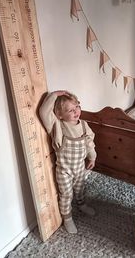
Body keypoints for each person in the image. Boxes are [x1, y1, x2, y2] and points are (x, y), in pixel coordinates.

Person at [39, 90, 97, 234]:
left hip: (79, 168)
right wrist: (54, 95)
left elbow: (89, 143)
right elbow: (43, 111)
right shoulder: (56, 126)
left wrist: (92, 157)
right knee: (66, 194)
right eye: (69, 110)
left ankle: (82, 204)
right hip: (64, 170)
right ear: (59, 115)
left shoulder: (84, 125)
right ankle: (67, 218)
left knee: (80, 188)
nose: (75, 111)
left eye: (77, 106)